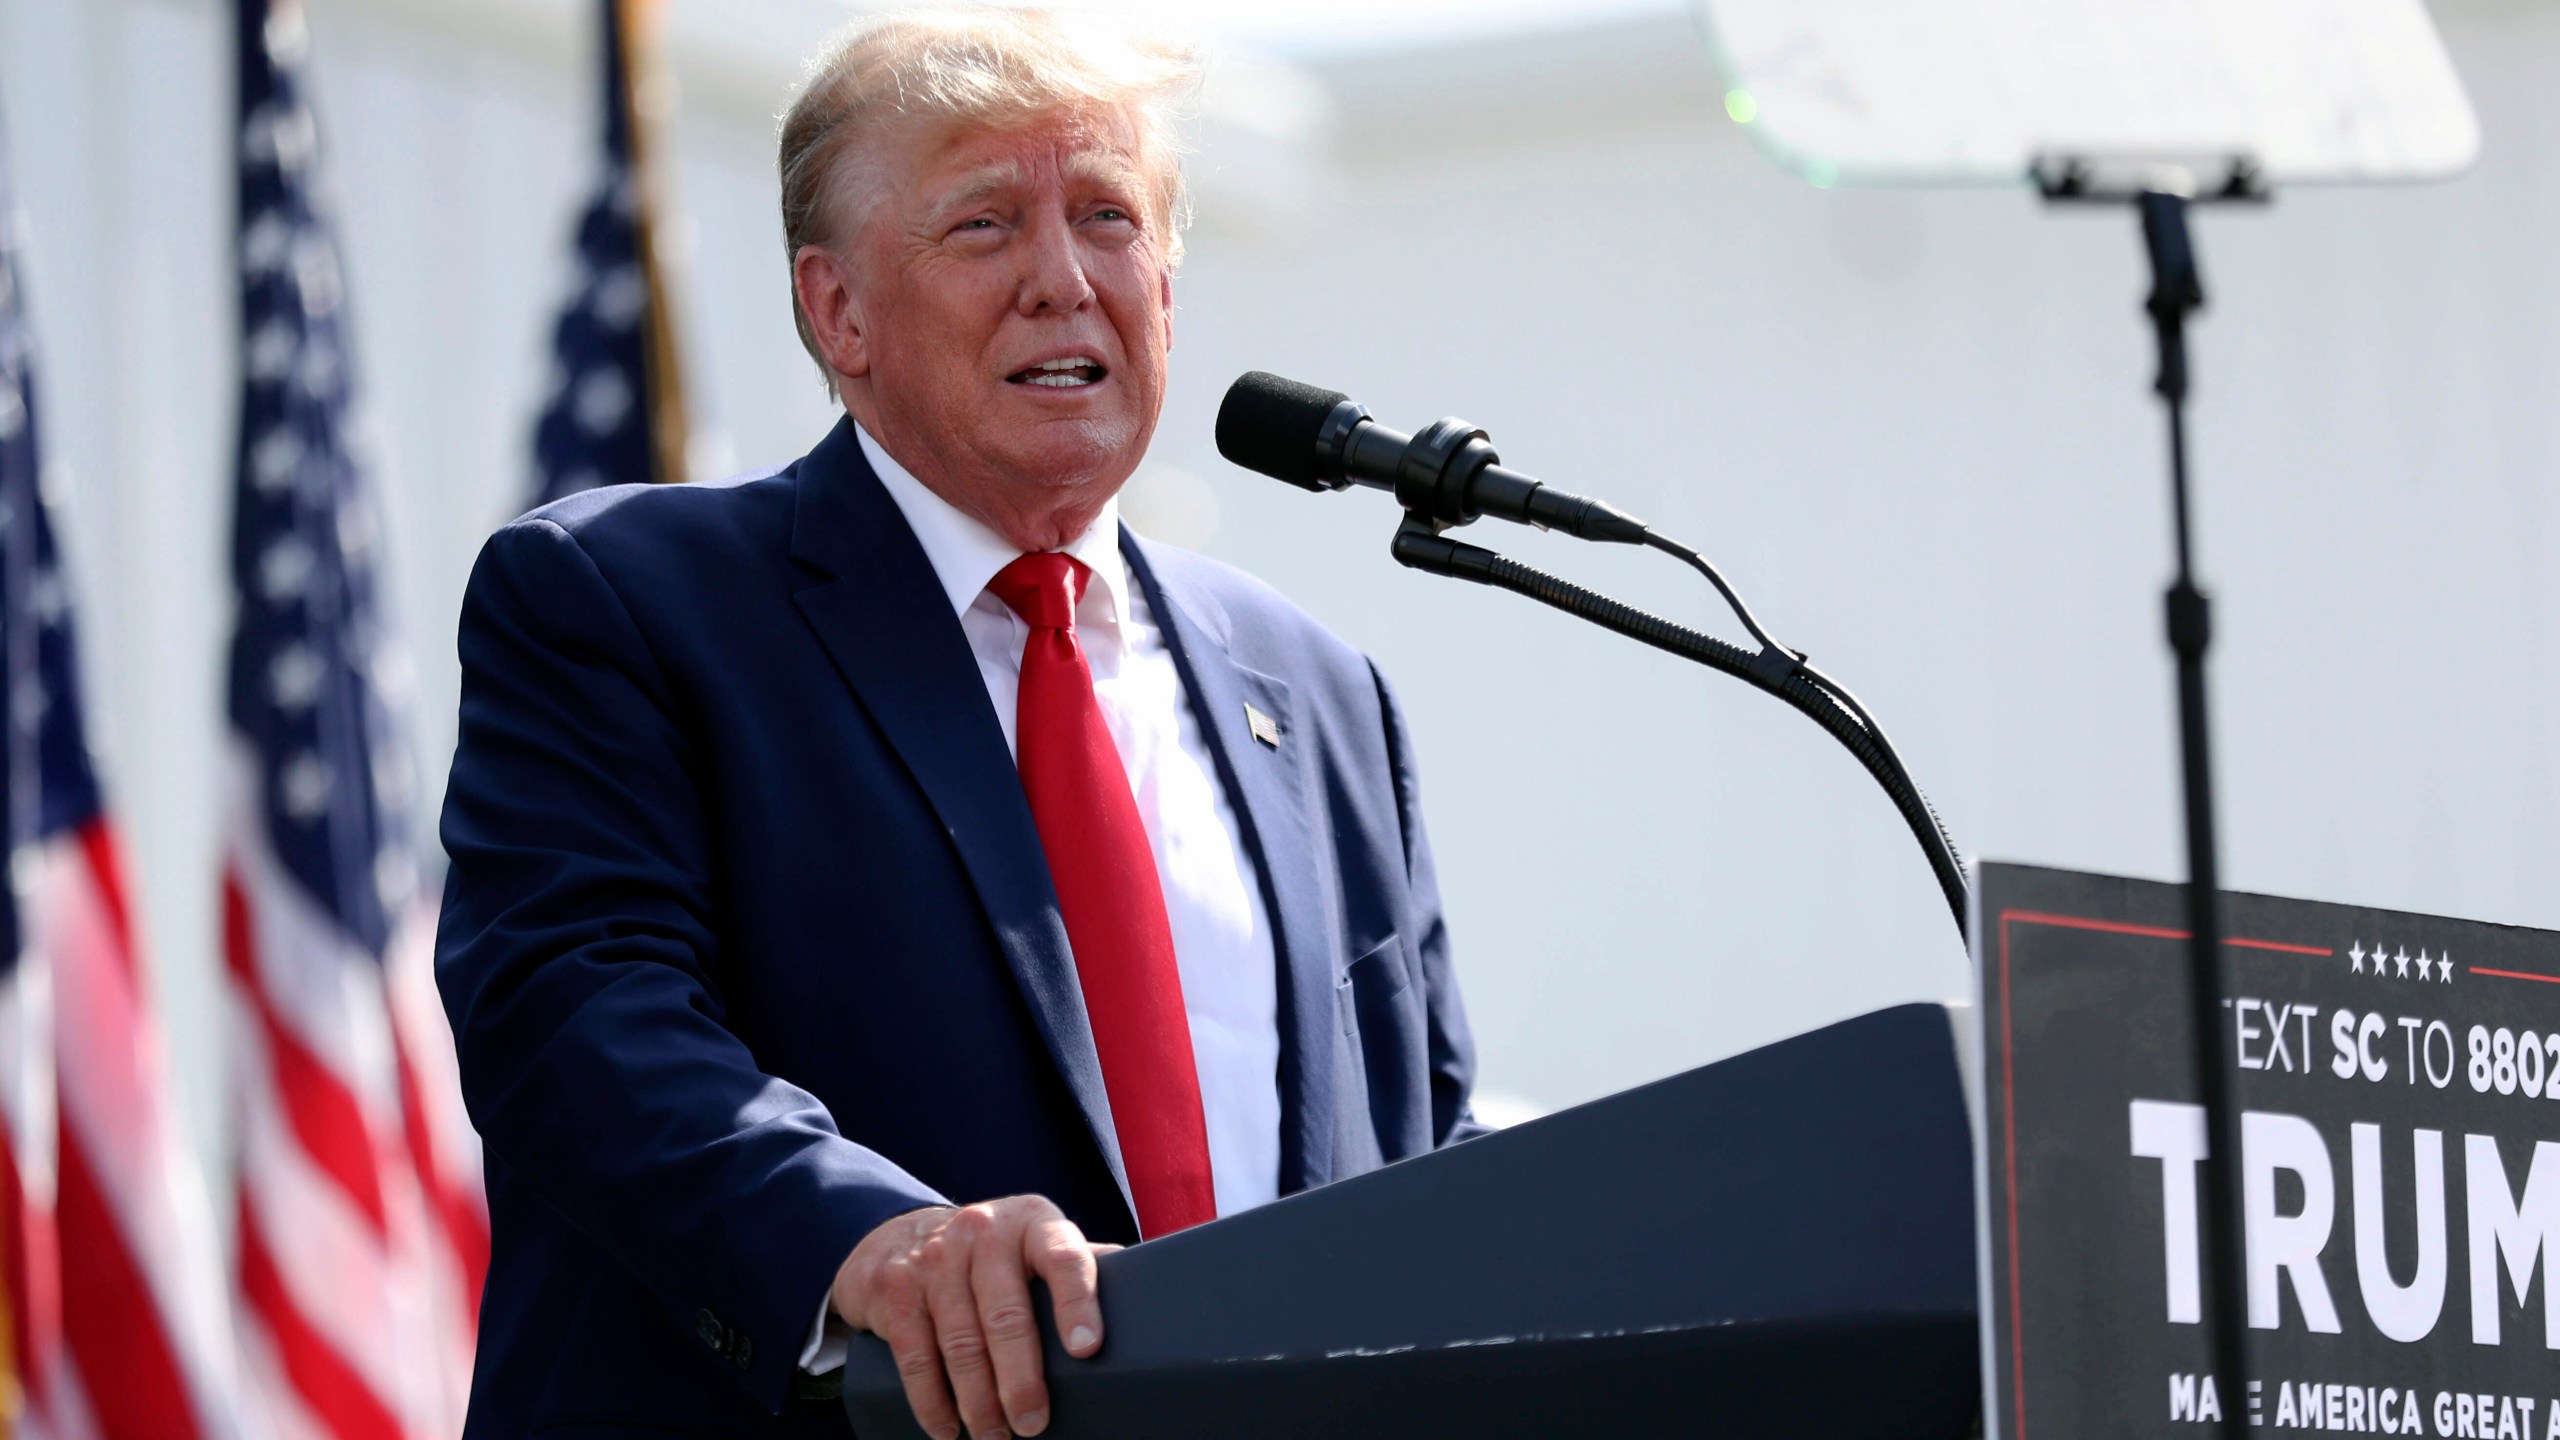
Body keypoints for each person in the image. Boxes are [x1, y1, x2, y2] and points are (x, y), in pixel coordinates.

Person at [435, 9, 1484, 1438]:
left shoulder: (1318, 690)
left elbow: (1423, 1148)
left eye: (1109, 218)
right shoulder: (628, 605)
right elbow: (574, 1020)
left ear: (1167, 289)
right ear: (837, 310)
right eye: (985, 225)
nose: (1063, 280)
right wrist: (866, 1240)